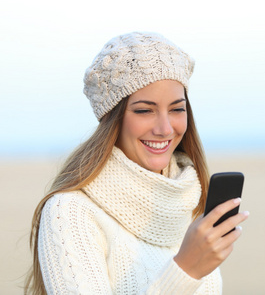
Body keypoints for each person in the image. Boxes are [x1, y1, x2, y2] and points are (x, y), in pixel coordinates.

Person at [24, 32, 249, 295]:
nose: (165, 128)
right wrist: (185, 271)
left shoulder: (185, 200)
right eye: (144, 110)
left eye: (177, 109)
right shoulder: (70, 212)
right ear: (112, 118)